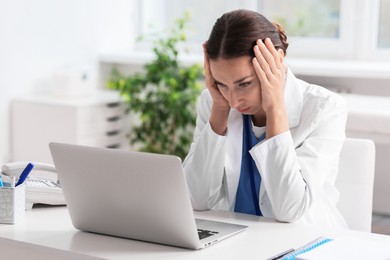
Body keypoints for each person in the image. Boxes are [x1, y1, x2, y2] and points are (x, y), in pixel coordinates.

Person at [183, 9, 348, 228]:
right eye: (222, 84)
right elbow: (196, 199)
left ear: (277, 60)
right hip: (239, 239)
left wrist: (275, 108)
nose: (234, 101)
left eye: (244, 84)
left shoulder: (325, 108)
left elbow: (290, 209)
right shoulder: (216, 103)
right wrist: (219, 109)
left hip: (303, 240)